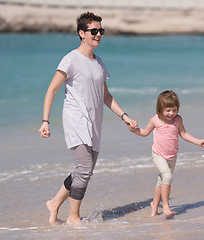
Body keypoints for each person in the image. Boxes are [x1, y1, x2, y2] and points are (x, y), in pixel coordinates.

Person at [38, 11, 137, 225]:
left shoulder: (98, 62)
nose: (98, 34)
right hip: (76, 119)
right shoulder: (71, 59)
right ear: (82, 33)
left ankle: (54, 203)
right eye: (94, 31)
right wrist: (45, 121)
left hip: (94, 123)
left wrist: (124, 116)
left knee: (84, 171)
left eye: (101, 30)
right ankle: (74, 217)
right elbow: (52, 90)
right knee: (84, 170)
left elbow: (106, 96)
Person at [132, 90, 204, 216]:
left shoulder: (178, 120)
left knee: (162, 181)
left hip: (172, 156)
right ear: (160, 109)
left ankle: (154, 207)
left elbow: (183, 134)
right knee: (167, 176)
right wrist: (133, 130)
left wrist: (198, 141)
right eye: (168, 110)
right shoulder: (155, 120)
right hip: (158, 154)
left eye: (174, 110)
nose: (171, 113)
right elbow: (144, 132)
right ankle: (166, 206)